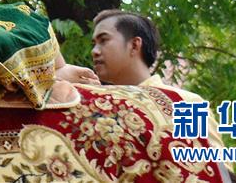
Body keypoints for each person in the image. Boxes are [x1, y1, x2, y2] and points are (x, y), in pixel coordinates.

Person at [92, 9, 227, 152]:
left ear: (135, 45)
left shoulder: (185, 105)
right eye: (93, 44)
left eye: (104, 40)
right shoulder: (95, 107)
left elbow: (217, 169)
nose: (94, 51)